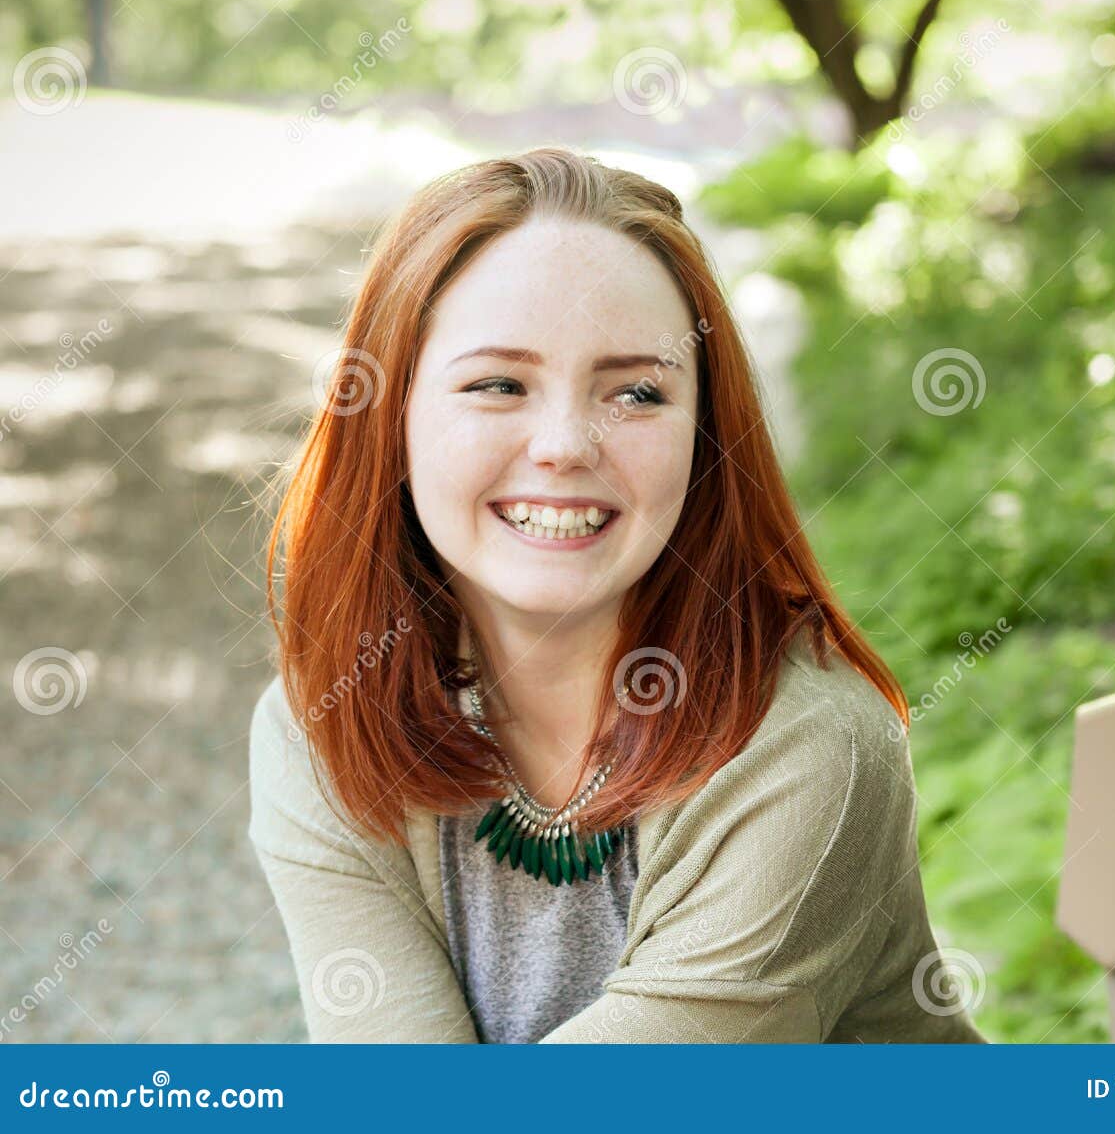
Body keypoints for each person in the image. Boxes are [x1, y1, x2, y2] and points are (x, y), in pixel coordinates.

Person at [248, 148, 984, 1044]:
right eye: (498, 384)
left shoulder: (804, 748)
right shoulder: (326, 723)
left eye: (637, 391)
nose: (564, 444)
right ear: (391, 418)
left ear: (703, 435)